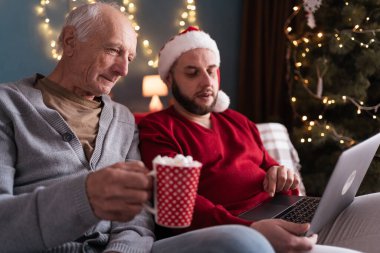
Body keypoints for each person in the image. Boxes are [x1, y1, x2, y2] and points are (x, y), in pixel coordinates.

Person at [0, 3, 277, 253]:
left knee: (242, 242)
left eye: (129, 58)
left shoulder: (122, 119)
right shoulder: (8, 106)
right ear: (71, 41)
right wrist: (85, 197)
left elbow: (138, 219)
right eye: (113, 50)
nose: (123, 69)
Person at [138, 26, 380, 253]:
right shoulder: (158, 129)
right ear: (169, 79)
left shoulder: (238, 121)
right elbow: (180, 202)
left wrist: (281, 174)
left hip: (287, 217)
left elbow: (274, 171)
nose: (207, 82)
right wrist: (251, 230)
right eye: (192, 73)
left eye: (211, 71)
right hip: (243, 234)